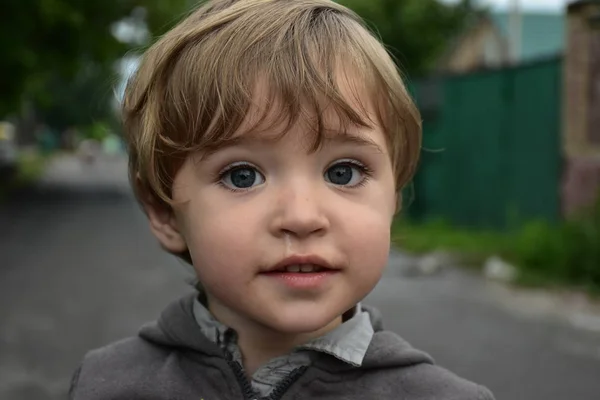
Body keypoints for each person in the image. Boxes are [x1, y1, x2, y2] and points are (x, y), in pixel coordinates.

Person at [69, 0, 495, 399]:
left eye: (343, 172)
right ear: (165, 212)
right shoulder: (107, 385)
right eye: (242, 176)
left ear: (394, 197)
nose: (301, 216)